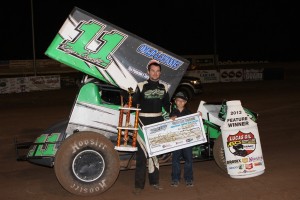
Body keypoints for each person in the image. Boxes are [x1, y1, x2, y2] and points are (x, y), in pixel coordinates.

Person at [131, 60, 171, 195]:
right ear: (148, 72)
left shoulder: (164, 87)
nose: (155, 73)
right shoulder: (141, 86)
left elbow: (167, 105)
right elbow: (133, 103)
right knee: (142, 155)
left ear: (160, 72)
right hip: (142, 122)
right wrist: (127, 101)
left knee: (154, 154)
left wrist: (174, 115)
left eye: (157, 71)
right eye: (152, 71)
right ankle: (138, 185)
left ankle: (155, 182)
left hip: (158, 122)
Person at [169, 92, 194, 187]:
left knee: (189, 159)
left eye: (182, 101)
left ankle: (189, 179)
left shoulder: (189, 112)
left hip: (187, 140)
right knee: (175, 159)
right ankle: (175, 178)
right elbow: (168, 124)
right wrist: (171, 119)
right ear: (175, 102)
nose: (180, 102)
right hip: (176, 140)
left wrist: (198, 115)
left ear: (185, 102)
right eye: (178, 101)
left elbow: (194, 121)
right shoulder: (172, 112)